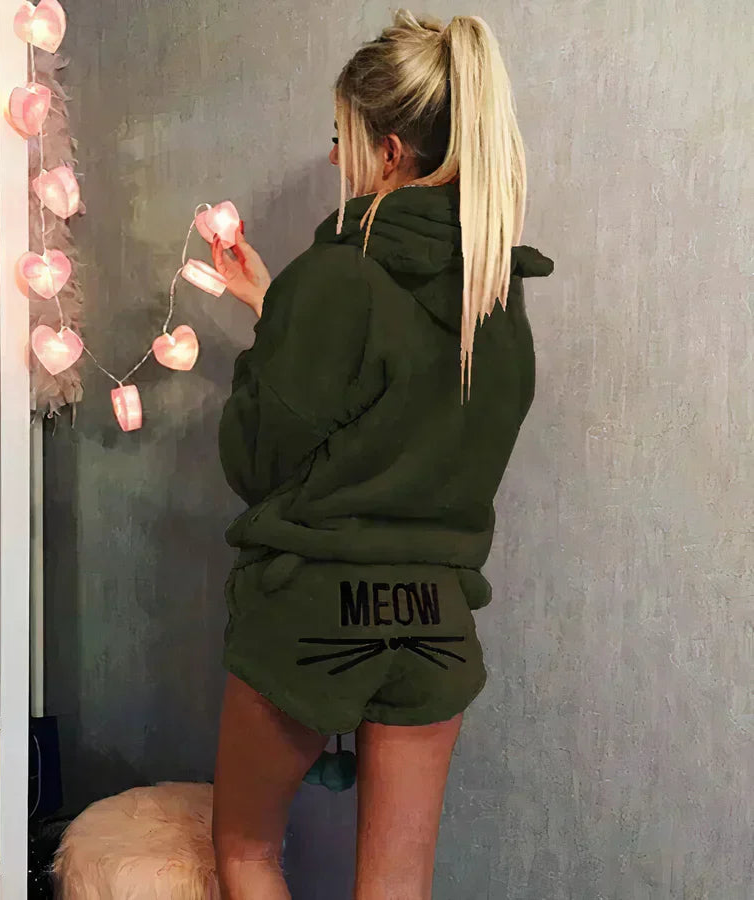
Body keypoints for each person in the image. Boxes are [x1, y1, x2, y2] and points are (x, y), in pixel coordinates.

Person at [209, 10, 554, 899]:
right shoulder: (493, 297)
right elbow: (400, 412)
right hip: (435, 620)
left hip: (313, 612)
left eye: (343, 138)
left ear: (391, 151)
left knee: (247, 852)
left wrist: (278, 330)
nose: (336, 159)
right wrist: (277, 308)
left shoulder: (338, 274)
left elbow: (254, 459)